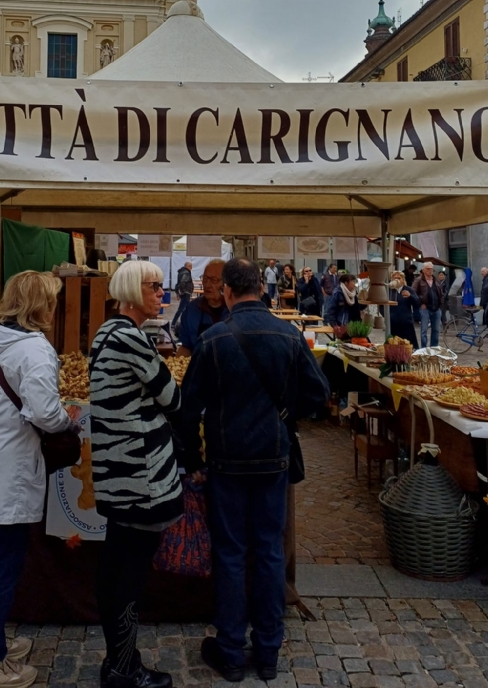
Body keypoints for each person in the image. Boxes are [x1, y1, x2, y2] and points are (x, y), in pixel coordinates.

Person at [182, 259, 329, 683]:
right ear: (261, 290)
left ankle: (230, 650)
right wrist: (284, 415)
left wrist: (192, 458)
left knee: (230, 554)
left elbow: (188, 409)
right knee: (267, 553)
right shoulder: (288, 335)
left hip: (227, 459)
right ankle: (267, 651)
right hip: (272, 458)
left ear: (227, 291)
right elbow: (318, 394)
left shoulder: (213, 339)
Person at [0, 271, 79, 688]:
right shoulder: (33, 350)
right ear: (41, 306)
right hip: (6, 470)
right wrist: (68, 420)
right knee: (1, 566)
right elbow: (44, 412)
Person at [90, 260, 182, 688]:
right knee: (127, 575)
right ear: (132, 288)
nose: (161, 292)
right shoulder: (130, 338)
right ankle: (125, 670)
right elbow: (171, 397)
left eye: (162, 286)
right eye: (154, 285)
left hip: (118, 474)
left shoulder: (108, 332)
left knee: (116, 569)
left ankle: (119, 662)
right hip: (139, 478)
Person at [177, 259, 229, 357]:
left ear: (226, 284)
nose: (207, 285)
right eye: (205, 279)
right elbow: (186, 347)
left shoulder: (234, 310)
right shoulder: (191, 310)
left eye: (214, 280)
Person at [413, 262, 444, 347]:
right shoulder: (419, 280)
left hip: (436, 308)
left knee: (436, 330)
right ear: (423, 270)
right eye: (428, 269)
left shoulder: (436, 280)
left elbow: (441, 293)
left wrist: (440, 304)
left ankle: (434, 348)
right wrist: (421, 303)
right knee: (424, 330)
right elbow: (413, 293)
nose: (430, 271)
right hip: (425, 308)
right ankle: (424, 348)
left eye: (431, 269)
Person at [387, 271, 419, 347]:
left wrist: (410, 296)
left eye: (399, 278)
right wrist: (387, 316)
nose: (397, 280)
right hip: (393, 323)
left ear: (403, 279)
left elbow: (417, 303)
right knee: (394, 346)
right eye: (395, 278)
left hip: (406, 322)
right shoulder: (389, 291)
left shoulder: (408, 289)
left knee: (409, 345)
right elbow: (382, 305)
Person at [171, 261, 194, 333]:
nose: (192, 268)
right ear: (188, 266)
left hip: (185, 293)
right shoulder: (186, 273)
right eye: (191, 266)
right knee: (182, 309)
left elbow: (179, 282)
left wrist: (179, 292)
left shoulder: (181, 272)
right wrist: (184, 291)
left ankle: (186, 323)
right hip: (186, 293)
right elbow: (183, 282)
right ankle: (174, 323)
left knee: (186, 309)